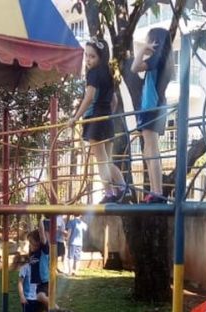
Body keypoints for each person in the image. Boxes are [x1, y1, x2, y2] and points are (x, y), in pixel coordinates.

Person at [69, 39, 127, 204]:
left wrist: (75, 117)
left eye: (92, 56)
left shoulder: (93, 73)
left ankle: (110, 193)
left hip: (95, 119)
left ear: (101, 57)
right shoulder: (108, 73)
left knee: (101, 160)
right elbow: (114, 100)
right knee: (107, 160)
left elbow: (89, 97)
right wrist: (107, 114)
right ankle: (123, 188)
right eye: (86, 56)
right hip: (106, 119)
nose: (88, 60)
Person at [131, 27, 174, 204]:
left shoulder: (157, 60)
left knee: (152, 150)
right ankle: (155, 191)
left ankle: (157, 192)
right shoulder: (162, 61)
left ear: (155, 42)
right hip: (153, 107)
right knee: (148, 151)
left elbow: (134, 67)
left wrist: (142, 49)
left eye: (149, 41)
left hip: (152, 108)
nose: (146, 44)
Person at [29, 219, 74, 312]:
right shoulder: (33, 253)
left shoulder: (44, 249)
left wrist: (40, 219)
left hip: (45, 282)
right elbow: (32, 232)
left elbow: (41, 233)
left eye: (32, 243)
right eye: (30, 243)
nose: (30, 246)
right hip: (37, 285)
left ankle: (60, 311)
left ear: (39, 242)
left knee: (40, 296)